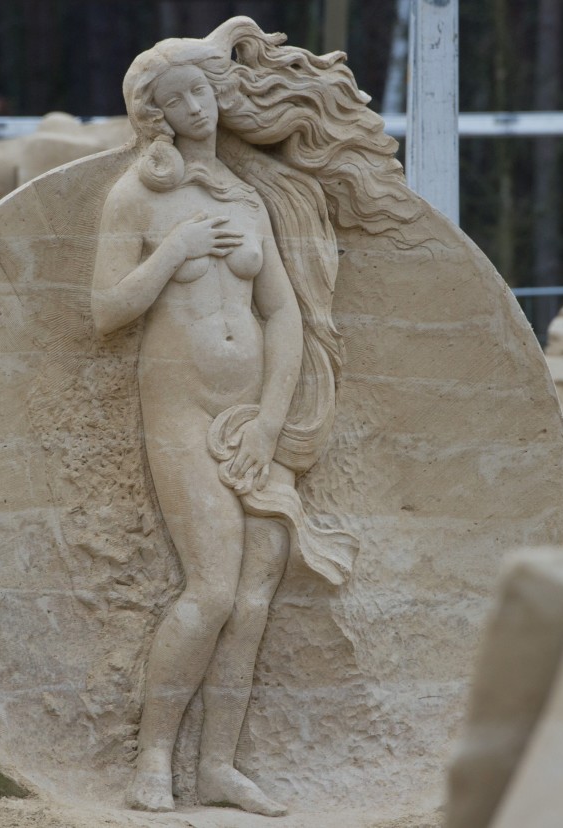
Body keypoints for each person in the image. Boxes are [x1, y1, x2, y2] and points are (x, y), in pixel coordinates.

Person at [92, 17, 413, 816]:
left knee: (255, 596)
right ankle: (153, 758)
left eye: (200, 90)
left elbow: (283, 314)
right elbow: (105, 309)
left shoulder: (247, 196)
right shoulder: (139, 195)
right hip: (180, 411)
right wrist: (174, 250)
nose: (196, 108)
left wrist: (272, 419)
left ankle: (219, 767)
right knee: (210, 588)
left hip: (252, 416)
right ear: (156, 114)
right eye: (176, 99)